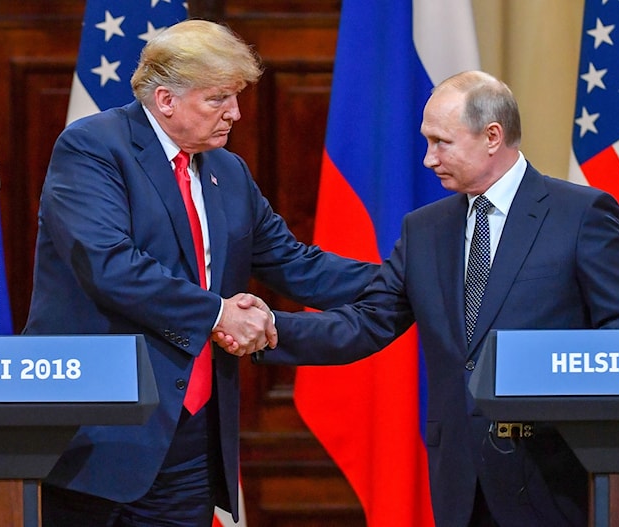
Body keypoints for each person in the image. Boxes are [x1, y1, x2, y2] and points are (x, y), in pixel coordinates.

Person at [239, 71, 619, 527]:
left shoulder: (580, 213)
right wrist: (269, 329)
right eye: (427, 142)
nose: (427, 159)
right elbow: (369, 321)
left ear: (492, 136)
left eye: (441, 143)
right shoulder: (425, 229)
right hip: (461, 476)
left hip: (555, 472)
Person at [23, 19, 377, 526]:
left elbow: (293, 262)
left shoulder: (226, 170)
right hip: (100, 435)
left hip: (191, 440)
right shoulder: (93, 148)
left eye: (235, 97)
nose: (235, 112)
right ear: (165, 99)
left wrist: (407, 281)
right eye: (218, 99)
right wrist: (218, 314)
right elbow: (110, 266)